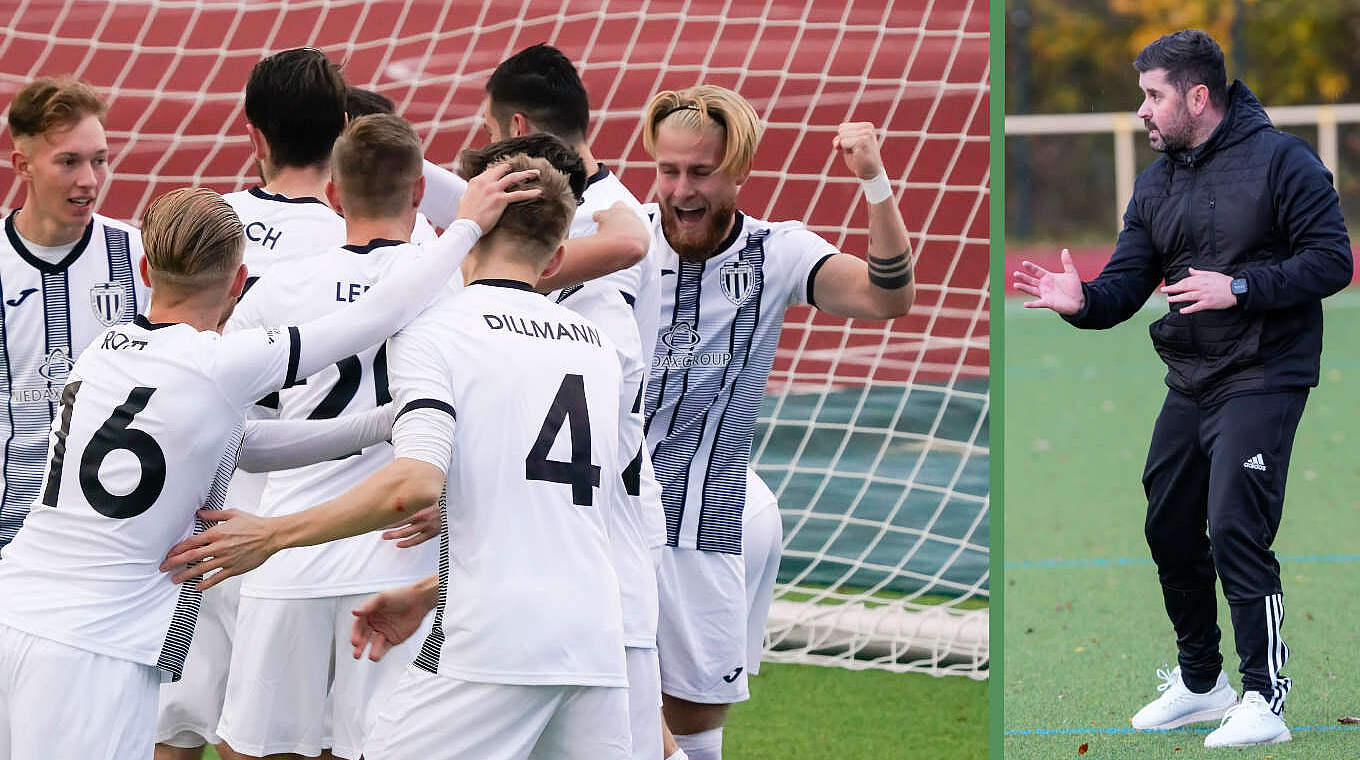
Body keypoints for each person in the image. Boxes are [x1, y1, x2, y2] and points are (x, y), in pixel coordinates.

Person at [0, 166, 536, 758]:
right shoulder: (219, 362)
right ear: (240, 281)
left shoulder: (104, 349)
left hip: (16, 603)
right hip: (90, 648)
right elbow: (376, 316)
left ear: (148, 271)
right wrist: (463, 228)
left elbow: (241, 446)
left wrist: (383, 422)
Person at [164, 154, 638, 760]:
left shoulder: (439, 329)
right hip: (595, 635)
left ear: (467, 231)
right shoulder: (594, 344)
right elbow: (535, 505)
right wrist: (423, 594)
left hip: (489, 640)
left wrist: (275, 535)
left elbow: (411, 487)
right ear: (553, 260)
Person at [1011, 29, 1351, 749]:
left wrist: (1241, 287)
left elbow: (1332, 262)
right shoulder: (1157, 181)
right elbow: (1128, 285)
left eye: (1153, 95)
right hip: (1193, 377)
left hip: (1265, 373)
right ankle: (1203, 684)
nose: (1142, 111)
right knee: (1167, 525)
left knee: (1234, 524)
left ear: (1198, 97)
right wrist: (1085, 301)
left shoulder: (1282, 163)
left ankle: (1264, 697)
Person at [639, 84, 914, 760]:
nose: (680, 190)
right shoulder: (623, 238)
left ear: (738, 172)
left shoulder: (779, 253)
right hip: (609, 511)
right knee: (598, 705)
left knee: (694, 729)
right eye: (669, 170)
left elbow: (890, 296)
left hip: (706, 522)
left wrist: (875, 182)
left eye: (700, 172)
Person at [212, 113, 441, 760]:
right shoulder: (452, 289)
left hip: (290, 547)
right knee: (381, 748)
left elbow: (230, 423)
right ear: (419, 192)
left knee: (253, 748)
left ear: (335, 193)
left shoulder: (278, 290)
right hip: (402, 555)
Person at [481, 43, 668, 759]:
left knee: (627, 735)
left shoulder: (616, 220)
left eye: (496, 134)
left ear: (520, 125)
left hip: (601, 515)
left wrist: (492, 280)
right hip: (547, 510)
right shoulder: (564, 212)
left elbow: (623, 243)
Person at [0, 76, 148, 552]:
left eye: (99, 160)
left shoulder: (137, 257)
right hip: (11, 533)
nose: (89, 180)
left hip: (112, 528)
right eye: (68, 162)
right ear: (24, 165)